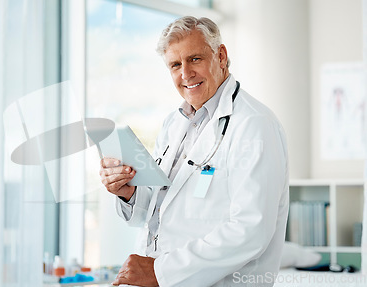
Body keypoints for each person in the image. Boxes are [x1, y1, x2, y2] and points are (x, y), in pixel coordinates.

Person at [100, 16, 289, 287]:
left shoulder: (254, 124)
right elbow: (159, 210)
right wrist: (128, 192)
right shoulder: (173, 124)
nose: (185, 74)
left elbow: (250, 230)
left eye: (195, 59)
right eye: (175, 65)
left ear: (221, 56)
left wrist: (162, 272)